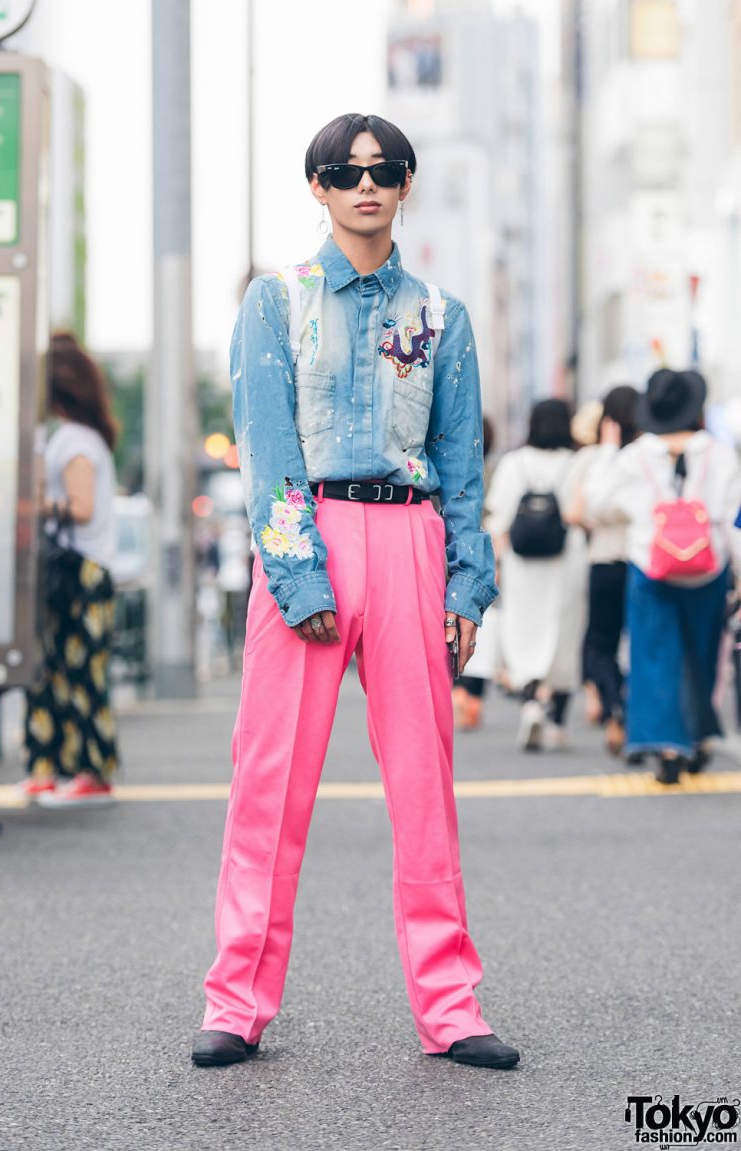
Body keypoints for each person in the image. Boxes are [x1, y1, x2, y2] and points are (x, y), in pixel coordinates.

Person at [192, 113, 519, 1071]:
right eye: (344, 171)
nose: (364, 185)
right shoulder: (276, 302)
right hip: (311, 531)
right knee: (269, 783)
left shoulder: (441, 317)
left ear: (407, 183)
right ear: (319, 189)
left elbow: (463, 462)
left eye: (383, 171)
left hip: (413, 538)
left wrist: (468, 577)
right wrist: (295, 573)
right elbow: (267, 446)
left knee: (426, 789)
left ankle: (451, 1006)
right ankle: (237, 999)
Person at [585, 368, 741, 784]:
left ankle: (667, 747)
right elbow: (731, 520)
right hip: (708, 570)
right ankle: (699, 737)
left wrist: (607, 451)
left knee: (654, 656)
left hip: (651, 567)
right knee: (702, 656)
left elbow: (597, 503)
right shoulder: (720, 454)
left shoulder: (636, 456)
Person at [21, 332, 120, 807]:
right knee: (65, 668)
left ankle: (91, 772)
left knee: (78, 670)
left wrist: (36, 505)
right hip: (79, 569)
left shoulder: (76, 441)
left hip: (81, 568)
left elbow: (78, 508)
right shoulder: (78, 437)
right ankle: (67, 768)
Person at [485, 399, 587, 751]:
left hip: (523, 559)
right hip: (567, 558)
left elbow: (497, 518)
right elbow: (581, 512)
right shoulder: (577, 463)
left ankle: (530, 699)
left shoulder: (515, 463)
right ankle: (555, 716)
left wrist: (495, 564)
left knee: (526, 627)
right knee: (563, 629)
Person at [565, 385, 639, 755]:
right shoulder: (649, 455)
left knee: (599, 645)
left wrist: (595, 525)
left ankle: (615, 710)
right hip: (643, 562)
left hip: (605, 560)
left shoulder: (596, 458)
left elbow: (576, 511)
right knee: (640, 643)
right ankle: (637, 714)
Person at [452, 415, 496, 730]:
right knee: (483, 624)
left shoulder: (449, 471)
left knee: (448, 617)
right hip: (489, 555)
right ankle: (476, 696)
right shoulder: (492, 471)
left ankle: (456, 688)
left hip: (450, 552)